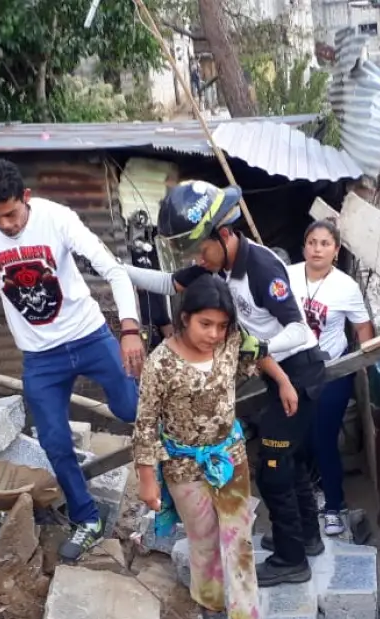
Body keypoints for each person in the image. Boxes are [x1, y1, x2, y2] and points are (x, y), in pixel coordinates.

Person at [127, 180, 326, 587]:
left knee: (273, 468)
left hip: (299, 371)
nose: (198, 259)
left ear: (224, 234)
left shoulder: (261, 267)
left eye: (202, 248)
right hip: (278, 372)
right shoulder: (214, 265)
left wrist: (258, 348)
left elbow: (299, 329)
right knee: (293, 463)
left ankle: (292, 560)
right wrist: (114, 270)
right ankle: (306, 540)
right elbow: (168, 283)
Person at [0, 158, 146, 563]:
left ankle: (172, 463)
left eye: (11, 213)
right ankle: (87, 519)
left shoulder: (57, 219)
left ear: (26, 197)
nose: (4, 225)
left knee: (131, 408)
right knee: (54, 441)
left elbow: (114, 270)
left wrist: (129, 330)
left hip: (90, 336)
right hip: (40, 357)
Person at [134, 275, 281, 619]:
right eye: (206, 324)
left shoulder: (233, 342)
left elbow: (258, 352)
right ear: (184, 318)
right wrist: (147, 479)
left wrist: (283, 382)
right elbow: (146, 422)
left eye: (221, 325)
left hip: (229, 456)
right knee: (203, 539)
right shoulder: (160, 363)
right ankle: (210, 601)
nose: (214, 334)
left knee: (239, 539)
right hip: (184, 467)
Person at [288, 219, 375, 537]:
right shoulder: (289, 275)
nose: (317, 249)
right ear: (304, 247)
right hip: (293, 370)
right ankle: (309, 494)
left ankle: (335, 507)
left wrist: (363, 361)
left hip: (332, 372)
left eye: (325, 243)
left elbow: (363, 327)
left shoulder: (346, 287)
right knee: (297, 438)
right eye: (312, 242)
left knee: (324, 440)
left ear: (336, 251)